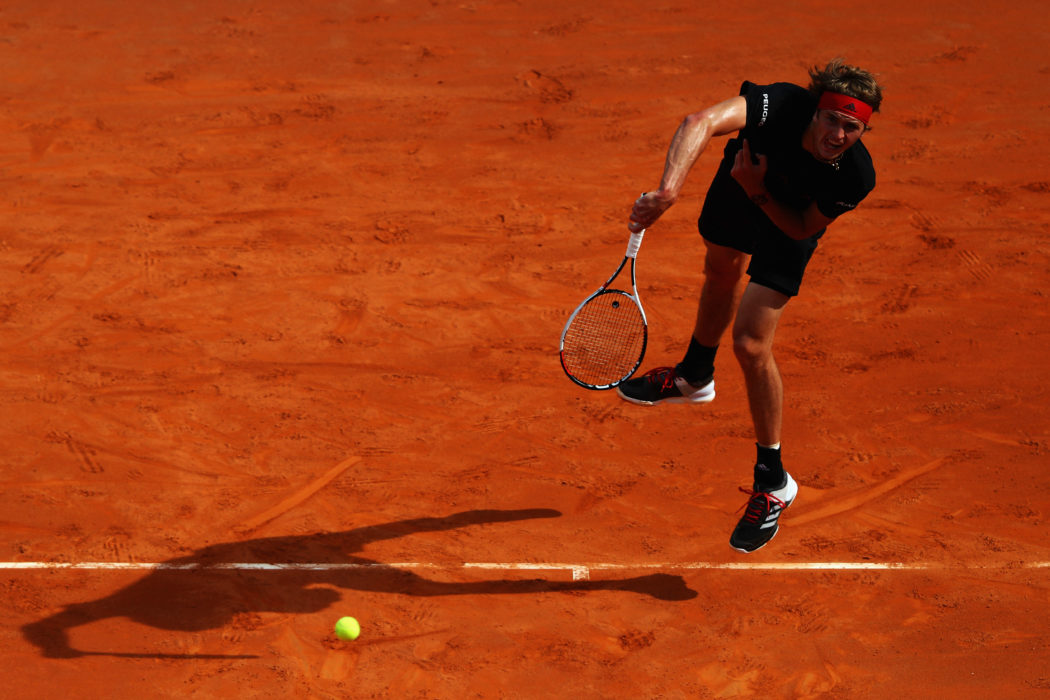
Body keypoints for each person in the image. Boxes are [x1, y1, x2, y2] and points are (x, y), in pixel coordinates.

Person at [617, 58, 883, 553]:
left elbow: (801, 227)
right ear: (815, 111)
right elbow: (700, 122)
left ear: (864, 130)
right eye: (831, 119)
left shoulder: (856, 176)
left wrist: (758, 190)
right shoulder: (780, 104)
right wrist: (668, 192)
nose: (838, 135)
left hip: (781, 217)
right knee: (720, 271)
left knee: (750, 344)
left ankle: (773, 481)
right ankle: (694, 377)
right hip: (738, 191)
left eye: (852, 128)